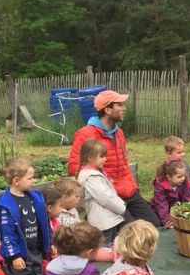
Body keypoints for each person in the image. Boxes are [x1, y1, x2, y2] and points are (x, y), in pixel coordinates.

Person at [68, 89, 160, 226]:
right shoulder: (85, 134)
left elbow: (124, 163)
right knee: (133, 231)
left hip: (128, 191)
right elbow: (73, 166)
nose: (124, 108)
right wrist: (100, 180)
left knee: (154, 224)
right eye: (120, 105)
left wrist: (133, 187)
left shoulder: (119, 133)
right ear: (108, 110)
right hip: (108, 195)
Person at [0, 157, 50, 275]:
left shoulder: (35, 198)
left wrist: (51, 242)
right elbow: (7, 234)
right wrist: (14, 256)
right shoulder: (6, 205)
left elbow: (44, 223)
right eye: (30, 178)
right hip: (20, 253)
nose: (33, 181)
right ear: (16, 181)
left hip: (35, 248)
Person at [77, 138, 127, 245]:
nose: (105, 159)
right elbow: (106, 198)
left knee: (113, 245)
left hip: (108, 220)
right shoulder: (91, 177)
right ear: (89, 158)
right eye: (101, 156)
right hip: (103, 222)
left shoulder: (95, 173)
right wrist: (122, 209)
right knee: (104, 247)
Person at [150, 158, 190, 228]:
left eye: (184, 175)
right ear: (169, 177)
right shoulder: (160, 186)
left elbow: (186, 199)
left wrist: (188, 214)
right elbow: (161, 205)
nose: (183, 178)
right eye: (179, 176)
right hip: (161, 212)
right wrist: (168, 222)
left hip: (176, 209)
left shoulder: (183, 182)